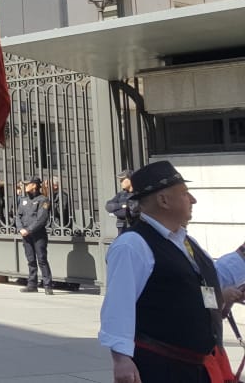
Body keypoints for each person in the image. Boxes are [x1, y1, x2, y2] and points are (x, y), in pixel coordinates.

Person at [98, 160, 245, 383]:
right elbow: (119, 305)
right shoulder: (132, 245)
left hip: (197, 368)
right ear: (164, 200)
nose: (193, 200)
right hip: (161, 368)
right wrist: (122, 359)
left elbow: (201, 284)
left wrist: (223, 296)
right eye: (185, 194)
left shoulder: (187, 242)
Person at [16, 176, 53, 295]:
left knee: (42, 259)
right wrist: (20, 228)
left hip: (38, 235)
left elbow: (42, 218)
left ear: (34, 185)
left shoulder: (43, 200)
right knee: (30, 260)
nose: (25, 186)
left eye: (28, 184)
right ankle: (32, 284)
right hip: (25, 235)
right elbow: (18, 216)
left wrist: (29, 229)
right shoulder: (23, 200)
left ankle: (47, 285)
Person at [105, 169, 138, 236]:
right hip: (121, 229)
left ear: (130, 180)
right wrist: (123, 205)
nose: (121, 182)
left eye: (123, 179)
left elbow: (132, 212)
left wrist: (114, 213)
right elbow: (108, 206)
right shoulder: (121, 194)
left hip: (134, 229)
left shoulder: (137, 194)